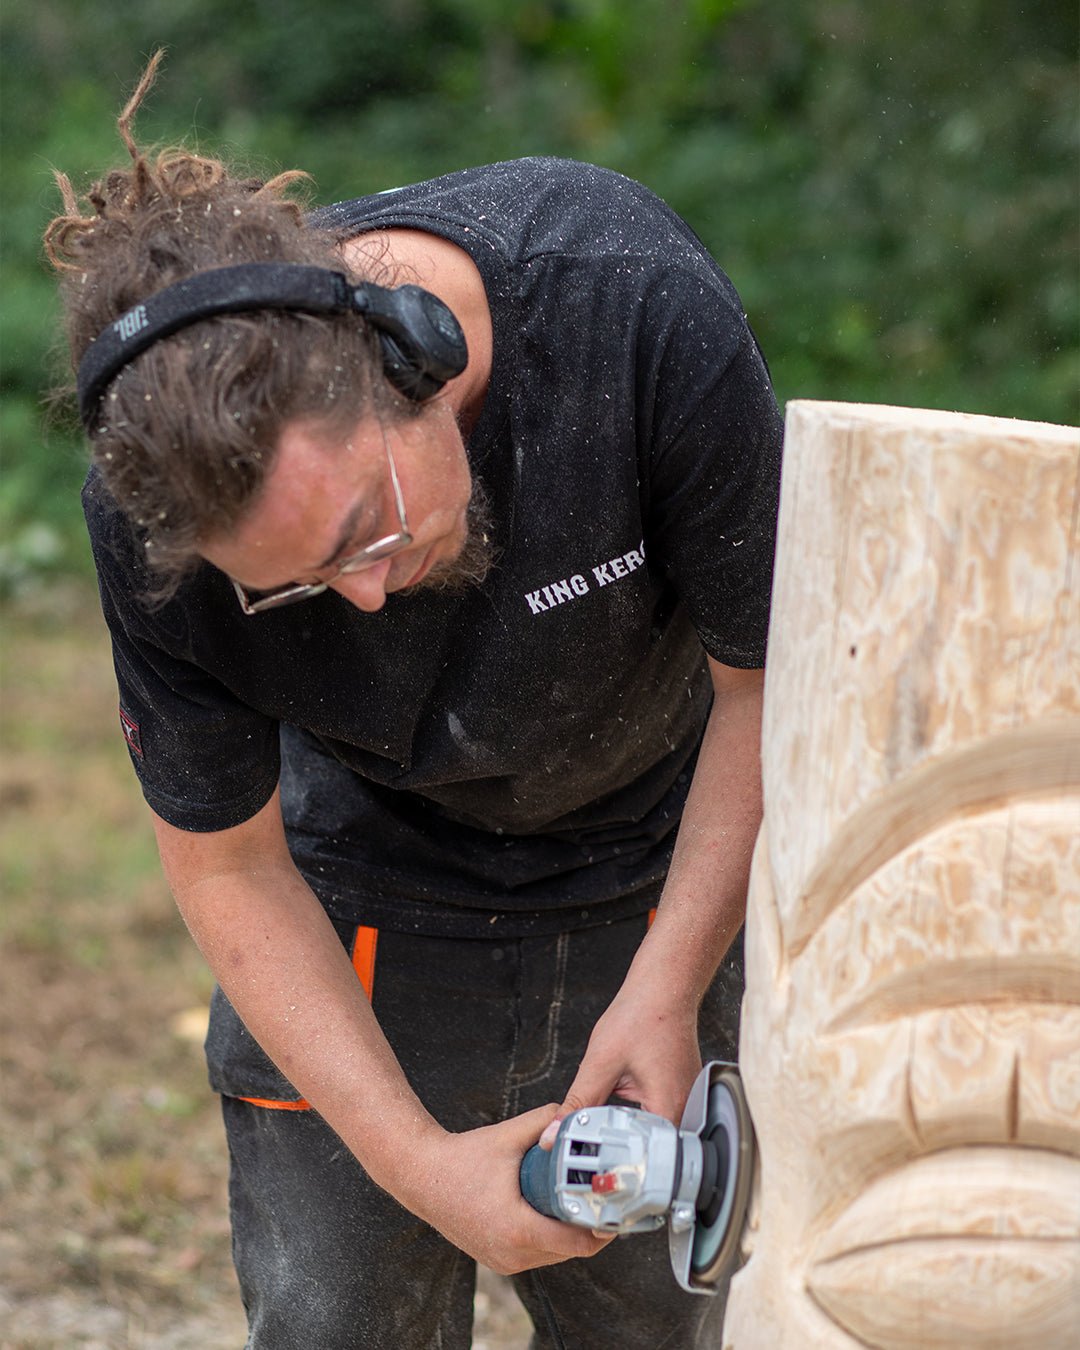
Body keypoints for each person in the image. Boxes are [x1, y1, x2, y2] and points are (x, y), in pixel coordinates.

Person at [47, 53, 783, 1349]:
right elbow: (227, 869)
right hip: (361, 888)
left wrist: (669, 983)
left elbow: (762, 686)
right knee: (339, 1319)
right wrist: (413, 1160)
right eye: (299, 586)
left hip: (658, 862)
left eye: (365, 527)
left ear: (415, 355)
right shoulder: (149, 525)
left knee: (658, 1325)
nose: (369, 598)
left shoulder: (626, 307)